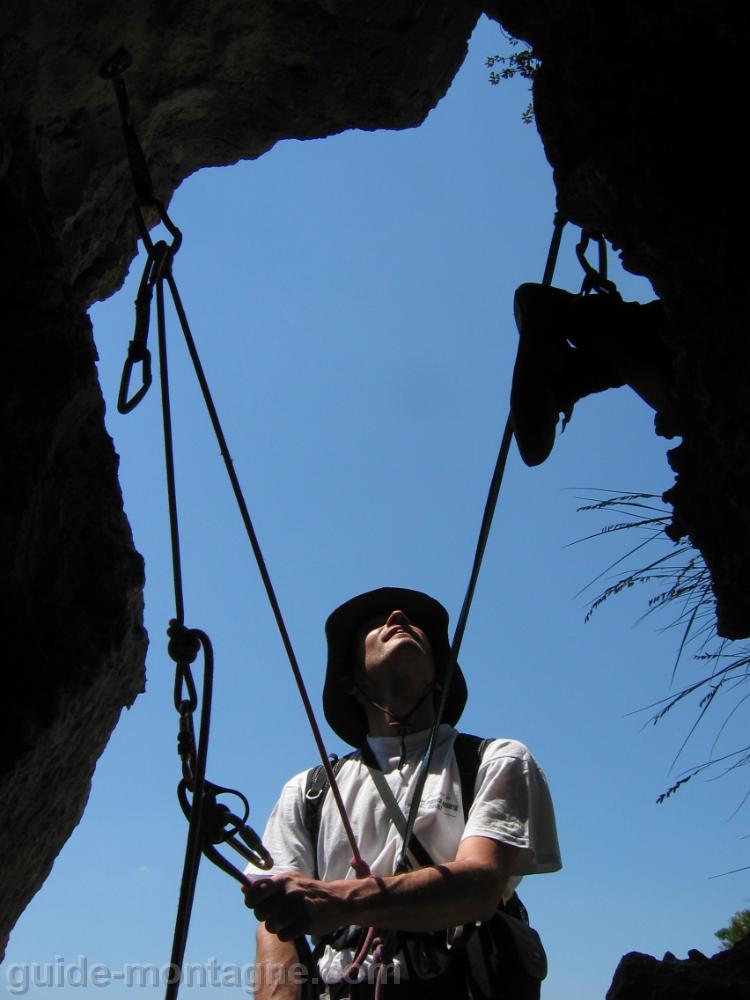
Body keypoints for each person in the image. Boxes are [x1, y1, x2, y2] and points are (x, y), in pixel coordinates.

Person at [244, 587, 561, 999]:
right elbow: (275, 928)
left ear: (438, 676)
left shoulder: (494, 760)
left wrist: (342, 901)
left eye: (414, 624)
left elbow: (480, 885)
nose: (397, 616)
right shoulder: (308, 792)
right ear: (350, 683)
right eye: (375, 624)